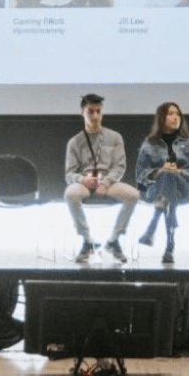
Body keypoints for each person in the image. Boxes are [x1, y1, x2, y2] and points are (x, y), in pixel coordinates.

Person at [64, 93, 139, 263]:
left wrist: (104, 183)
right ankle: (87, 241)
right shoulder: (75, 142)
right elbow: (70, 174)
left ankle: (113, 240)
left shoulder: (115, 137)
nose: (95, 116)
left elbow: (119, 167)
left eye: (98, 111)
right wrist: (83, 180)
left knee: (133, 195)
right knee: (70, 194)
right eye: (91, 111)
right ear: (82, 112)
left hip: (108, 183)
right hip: (85, 184)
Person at [135, 102, 189, 264]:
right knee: (166, 176)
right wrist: (160, 170)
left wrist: (178, 171)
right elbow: (140, 174)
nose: (175, 117)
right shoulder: (150, 143)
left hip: (182, 189)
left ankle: (152, 227)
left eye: (177, 114)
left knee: (170, 177)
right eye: (170, 114)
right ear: (161, 118)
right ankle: (170, 244)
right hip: (155, 188)